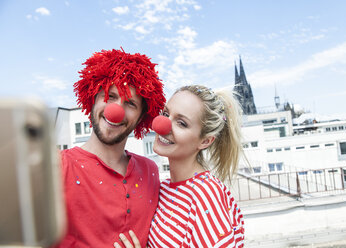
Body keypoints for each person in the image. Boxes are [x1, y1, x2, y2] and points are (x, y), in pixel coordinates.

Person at [54, 48, 166, 248]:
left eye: (130, 103)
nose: (116, 111)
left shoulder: (150, 171)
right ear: (93, 99)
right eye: (110, 96)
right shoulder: (57, 166)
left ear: (141, 117)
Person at [115, 85, 245, 248]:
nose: (163, 125)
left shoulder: (206, 195)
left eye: (182, 123)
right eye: (165, 114)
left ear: (205, 141)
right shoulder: (163, 189)